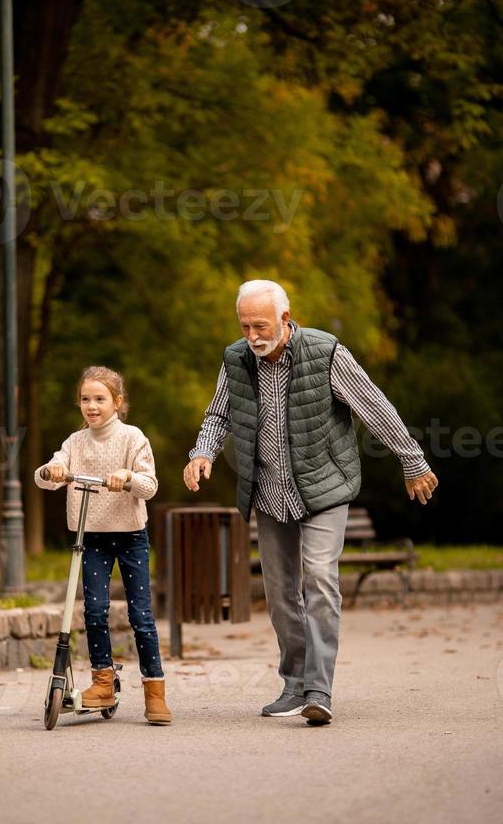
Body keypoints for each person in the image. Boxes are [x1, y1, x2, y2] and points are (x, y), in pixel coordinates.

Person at [184, 279, 437, 726]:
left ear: (285, 318)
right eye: (245, 326)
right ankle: (294, 683)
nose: (252, 336)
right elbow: (218, 413)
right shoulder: (236, 360)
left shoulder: (326, 353)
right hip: (268, 492)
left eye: (260, 326)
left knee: (319, 576)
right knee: (281, 592)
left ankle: (319, 689)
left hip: (324, 486)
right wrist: (202, 452)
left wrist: (412, 460)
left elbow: (373, 406)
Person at [35, 365, 171, 726]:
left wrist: (127, 477)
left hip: (130, 536)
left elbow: (150, 485)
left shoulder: (132, 438)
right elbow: (47, 474)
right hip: (90, 537)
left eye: (99, 399)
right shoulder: (75, 443)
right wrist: (53, 470)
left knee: (140, 615)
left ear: (117, 402)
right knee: (94, 611)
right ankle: (102, 681)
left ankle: (154, 692)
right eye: (85, 399)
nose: (91, 406)